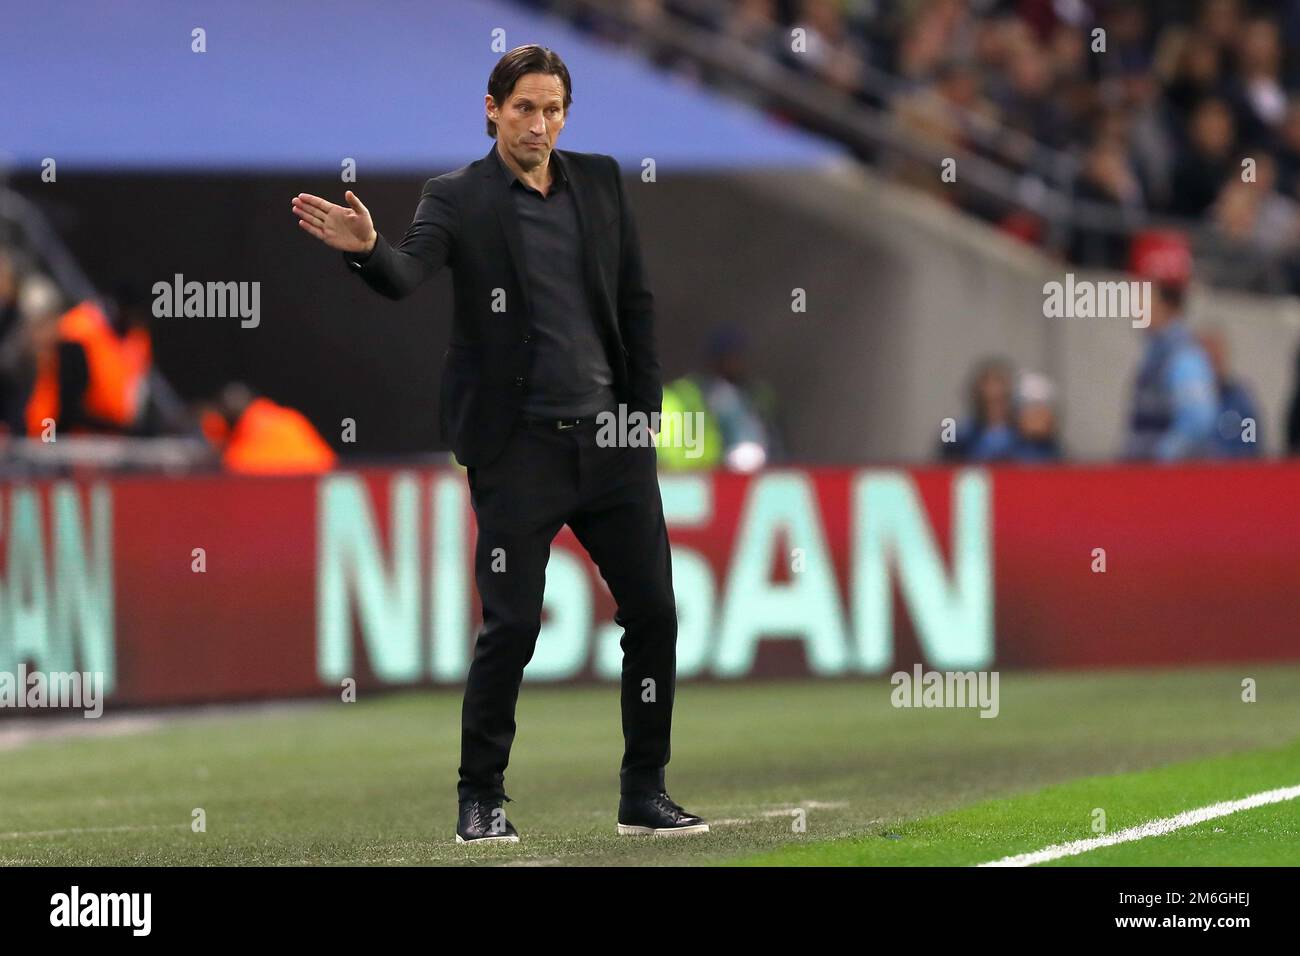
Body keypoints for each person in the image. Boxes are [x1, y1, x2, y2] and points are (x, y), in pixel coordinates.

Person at [291, 45, 705, 843]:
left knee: (654, 612)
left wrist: (643, 415)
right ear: (491, 109)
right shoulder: (457, 197)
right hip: (519, 451)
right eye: (525, 109)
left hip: (611, 445)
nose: (539, 124)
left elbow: (635, 302)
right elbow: (406, 276)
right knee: (511, 626)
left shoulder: (602, 181)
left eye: (553, 109)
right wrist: (365, 251)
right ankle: (479, 797)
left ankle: (643, 791)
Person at [1123, 231, 1218, 461]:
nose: (1134, 304)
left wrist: (1160, 461)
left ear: (1163, 300)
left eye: (1142, 294)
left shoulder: (1182, 355)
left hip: (1164, 487)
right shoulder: (1158, 352)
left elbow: (1198, 420)